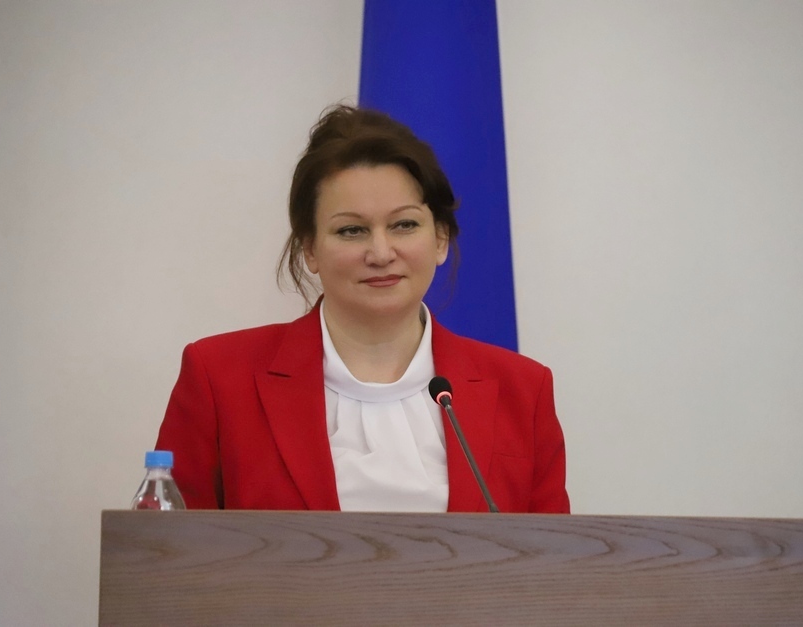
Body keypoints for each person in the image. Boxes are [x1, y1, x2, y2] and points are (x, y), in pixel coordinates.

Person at [155, 105, 569, 513]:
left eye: (404, 225)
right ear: (310, 249)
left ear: (441, 239)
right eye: (351, 230)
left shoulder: (523, 391)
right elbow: (166, 550)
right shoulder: (218, 379)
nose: (381, 253)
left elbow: (554, 554)